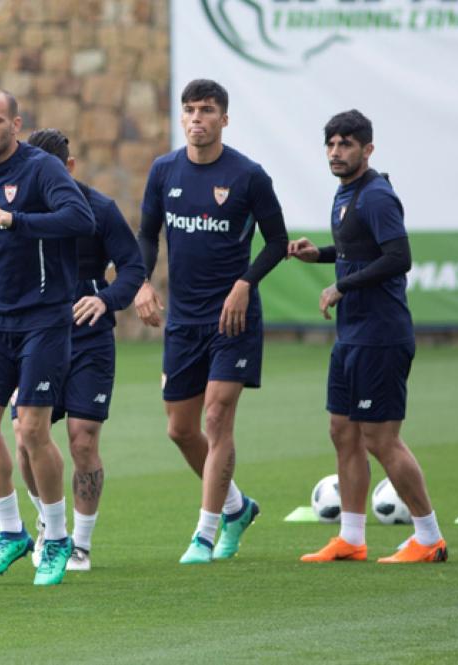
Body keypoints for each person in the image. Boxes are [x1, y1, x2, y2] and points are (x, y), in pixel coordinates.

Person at [134, 79, 289, 564]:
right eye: (189, 110)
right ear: (181, 118)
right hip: (184, 320)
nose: (197, 118)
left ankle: (205, 532)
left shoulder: (248, 176)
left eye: (207, 110)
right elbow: (146, 235)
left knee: (217, 417)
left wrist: (246, 283)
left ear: (224, 119)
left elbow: (278, 241)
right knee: (180, 430)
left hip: (232, 319)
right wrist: (141, 282)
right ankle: (237, 507)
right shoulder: (164, 171)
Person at [290, 110, 448, 564]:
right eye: (332, 144)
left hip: (381, 335)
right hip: (352, 336)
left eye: (347, 144)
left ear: (367, 149)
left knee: (381, 438)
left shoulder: (377, 195)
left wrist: (341, 285)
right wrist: (318, 255)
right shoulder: (347, 194)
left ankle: (429, 536)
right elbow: (356, 253)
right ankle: (352, 538)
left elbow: (399, 257)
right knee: (343, 432)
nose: (337, 152)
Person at [0, 90, 95, 586]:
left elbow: (81, 219)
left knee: (33, 430)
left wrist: (17, 220)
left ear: (16, 125)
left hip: (43, 317)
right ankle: (12, 532)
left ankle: (57, 538)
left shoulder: (42, 169)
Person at [13, 129, 145, 572]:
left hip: (89, 338)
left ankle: (81, 544)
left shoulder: (100, 209)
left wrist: (105, 298)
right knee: (24, 438)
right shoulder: (16, 212)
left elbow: (132, 267)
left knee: (83, 440)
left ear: (68, 169)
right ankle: (51, 527)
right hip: (35, 335)